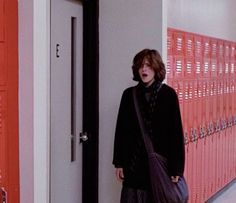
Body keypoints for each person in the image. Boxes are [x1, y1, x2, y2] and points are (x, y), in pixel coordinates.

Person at [112, 49, 185, 203]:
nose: (144, 69)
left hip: (159, 165)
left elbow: (176, 133)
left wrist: (176, 168)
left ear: (156, 68)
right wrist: (119, 163)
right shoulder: (128, 95)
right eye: (140, 66)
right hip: (134, 164)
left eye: (148, 65)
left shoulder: (168, 95)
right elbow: (121, 131)